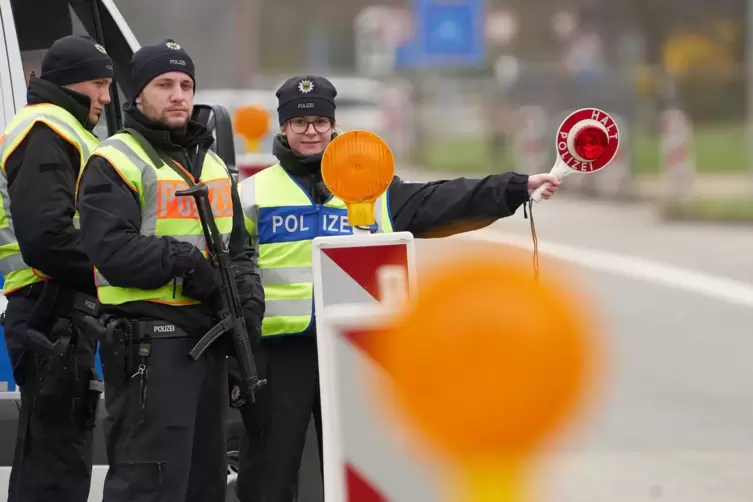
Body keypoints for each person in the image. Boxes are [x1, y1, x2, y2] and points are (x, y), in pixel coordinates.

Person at [233, 75, 561, 501]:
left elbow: (446, 200)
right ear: (283, 129)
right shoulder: (252, 194)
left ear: (334, 126)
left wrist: (517, 187)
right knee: (268, 475)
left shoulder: (373, 189)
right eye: (300, 123)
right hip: (279, 355)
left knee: (362, 474)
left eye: (319, 121)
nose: (311, 130)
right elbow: (228, 266)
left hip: (354, 352)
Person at [75, 39, 265, 502]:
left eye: (186, 84)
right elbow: (110, 249)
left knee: (204, 484)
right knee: (149, 487)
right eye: (164, 85)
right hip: (149, 349)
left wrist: (246, 293)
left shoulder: (214, 164)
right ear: (137, 94)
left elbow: (238, 248)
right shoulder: (114, 160)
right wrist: (184, 263)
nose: (178, 94)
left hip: (210, 344)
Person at [0, 35, 114, 502]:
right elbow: (47, 237)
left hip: (53, 311)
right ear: (68, 83)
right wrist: (120, 270)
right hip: (51, 311)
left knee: (49, 460)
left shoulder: (58, 127)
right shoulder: (47, 128)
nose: (107, 97)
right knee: (56, 469)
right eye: (99, 84)